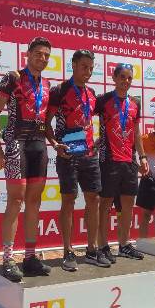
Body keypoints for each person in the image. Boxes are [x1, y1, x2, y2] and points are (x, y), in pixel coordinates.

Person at [0, 36, 53, 282]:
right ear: (28, 54)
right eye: (38, 54)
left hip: (39, 145)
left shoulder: (46, 84)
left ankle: (29, 257)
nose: (42, 58)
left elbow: (44, 120)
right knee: (15, 201)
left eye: (46, 55)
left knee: (34, 202)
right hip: (16, 143)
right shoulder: (13, 78)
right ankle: (8, 259)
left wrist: (54, 142)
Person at [46, 49, 109, 271]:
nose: (88, 72)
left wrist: (99, 140)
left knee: (94, 199)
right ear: (73, 65)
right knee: (69, 200)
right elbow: (46, 123)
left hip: (89, 155)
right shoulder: (59, 91)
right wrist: (55, 144)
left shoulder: (91, 93)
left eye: (91, 68)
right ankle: (68, 251)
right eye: (84, 67)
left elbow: (93, 120)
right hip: (68, 154)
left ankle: (92, 249)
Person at [96, 63, 149, 261]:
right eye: (122, 77)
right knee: (105, 205)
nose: (126, 81)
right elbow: (84, 118)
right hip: (109, 159)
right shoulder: (103, 100)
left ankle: (124, 245)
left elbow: (136, 132)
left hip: (129, 160)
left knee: (127, 205)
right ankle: (102, 246)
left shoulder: (135, 103)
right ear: (114, 78)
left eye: (129, 78)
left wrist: (142, 157)